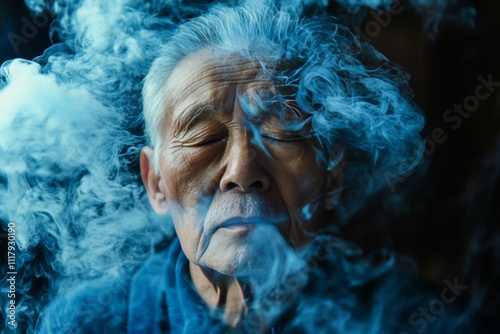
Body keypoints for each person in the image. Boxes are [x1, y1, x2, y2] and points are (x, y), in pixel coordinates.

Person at [37, 2, 470, 333]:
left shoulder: (419, 319)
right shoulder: (88, 322)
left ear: (332, 174)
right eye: (205, 137)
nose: (242, 171)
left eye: (281, 133)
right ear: (156, 183)